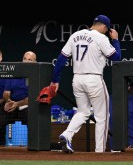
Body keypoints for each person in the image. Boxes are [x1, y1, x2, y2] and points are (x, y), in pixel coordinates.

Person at [51, 15, 121, 153]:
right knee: (102, 116)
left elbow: (61, 60)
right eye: (106, 29)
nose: (105, 31)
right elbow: (116, 58)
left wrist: (55, 80)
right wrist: (115, 40)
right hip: (94, 79)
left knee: (83, 112)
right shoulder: (101, 38)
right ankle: (99, 151)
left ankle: (66, 134)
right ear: (103, 26)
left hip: (77, 79)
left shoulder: (75, 35)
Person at [0, 51, 37, 147]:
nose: (26, 61)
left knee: (33, 118)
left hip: (26, 106)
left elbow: (33, 97)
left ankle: (36, 145)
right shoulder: (15, 74)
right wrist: (8, 101)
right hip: (11, 105)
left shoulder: (36, 76)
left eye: (29, 60)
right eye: (25, 59)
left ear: (34, 62)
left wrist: (18, 104)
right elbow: (6, 93)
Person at [109, 81, 133, 149]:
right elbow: (104, 120)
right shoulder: (109, 100)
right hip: (114, 143)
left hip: (132, 143)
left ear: (129, 87)